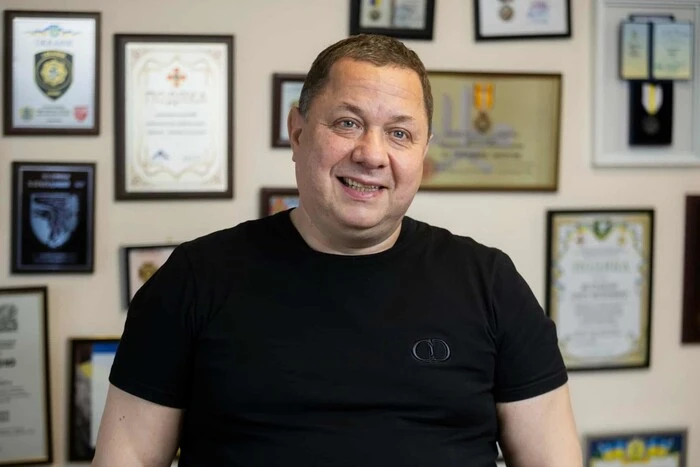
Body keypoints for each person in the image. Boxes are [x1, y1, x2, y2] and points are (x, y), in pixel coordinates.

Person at [93, 34, 582, 466]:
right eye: (348, 123)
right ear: (298, 132)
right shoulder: (194, 278)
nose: (371, 154)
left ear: (422, 151)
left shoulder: (490, 284)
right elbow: (127, 457)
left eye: (399, 133)